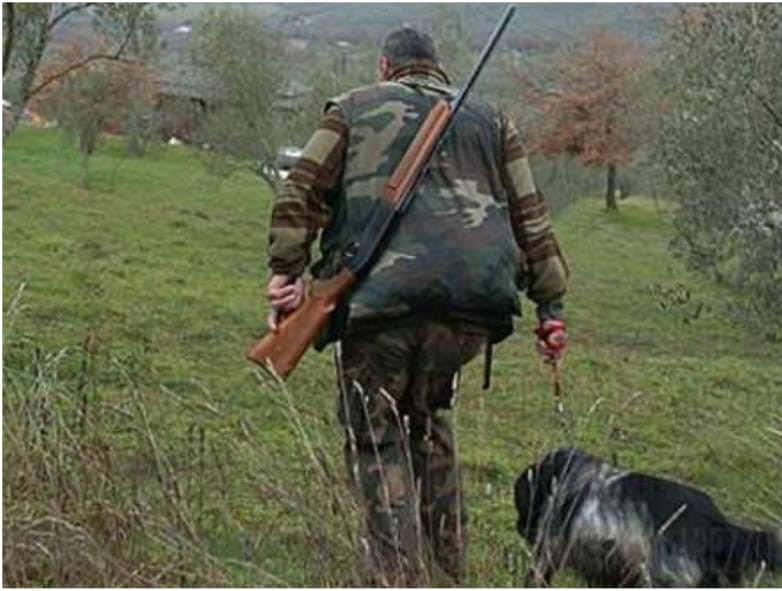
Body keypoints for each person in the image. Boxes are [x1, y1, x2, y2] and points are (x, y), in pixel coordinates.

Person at [265, 27, 568, 586]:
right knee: (430, 428)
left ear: (385, 66)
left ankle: (396, 578)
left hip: (380, 309)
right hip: (470, 313)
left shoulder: (352, 107)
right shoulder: (492, 120)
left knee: (377, 441)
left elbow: (299, 190)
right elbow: (531, 216)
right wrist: (550, 306)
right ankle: (449, 574)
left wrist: (287, 271)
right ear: (437, 66)